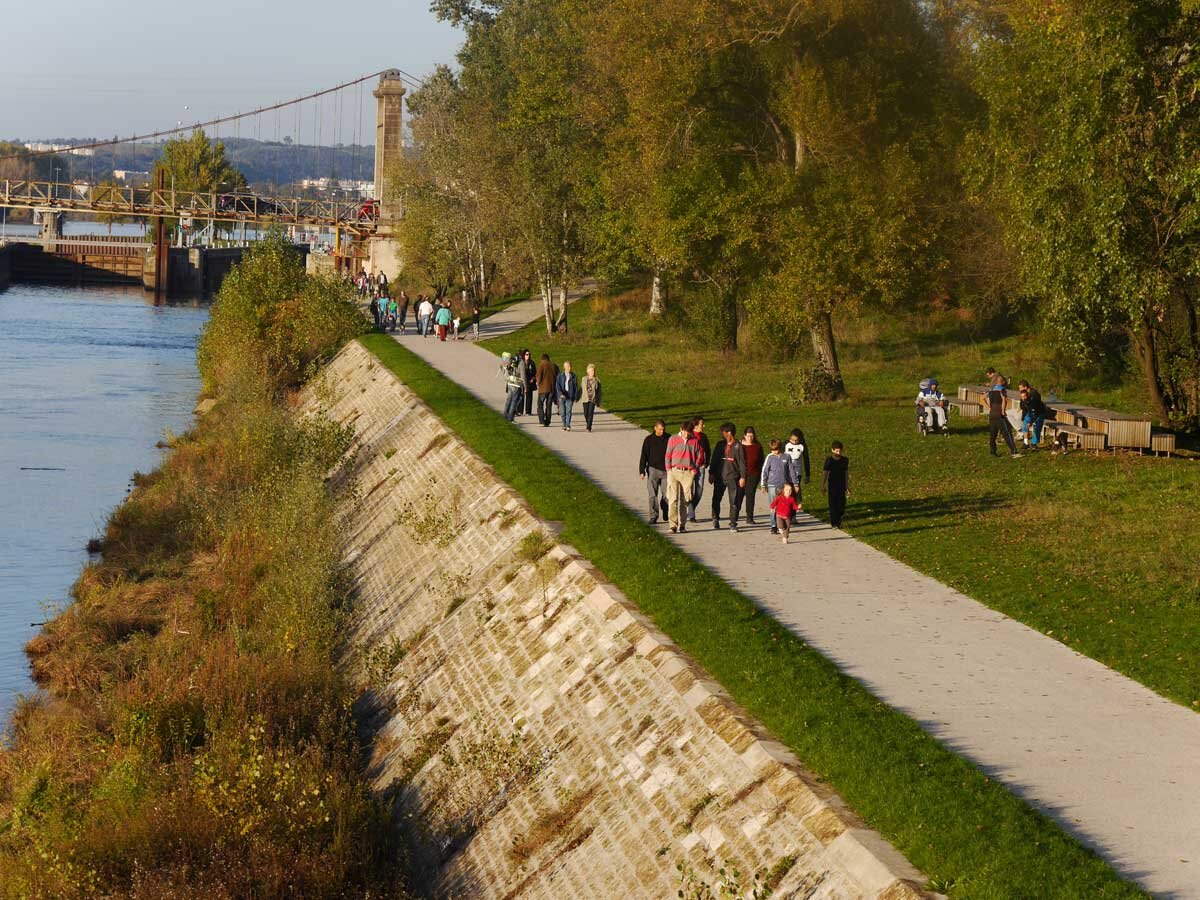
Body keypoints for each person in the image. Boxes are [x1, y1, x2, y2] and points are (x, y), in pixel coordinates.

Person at [664, 419, 702, 533]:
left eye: (689, 432)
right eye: (685, 432)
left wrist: (695, 469)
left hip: (688, 473)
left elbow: (700, 455)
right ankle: (672, 525)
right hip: (674, 471)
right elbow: (668, 455)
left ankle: (682, 525)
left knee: (685, 500)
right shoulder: (673, 439)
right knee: (673, 499)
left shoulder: (694, 441)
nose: (686, 434)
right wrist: (669, 470)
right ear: (681, 429)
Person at [710, 423, 746, 531]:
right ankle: (715, 519)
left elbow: (742, 462)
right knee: (716, 499)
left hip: (733, 477)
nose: (722, 434)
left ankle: (733, 523)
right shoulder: (720, 444)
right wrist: (711, 473)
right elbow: (714, 459)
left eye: (723, 432)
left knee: (734, 501)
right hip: (719, 476)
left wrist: (743, 477)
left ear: (729, 433)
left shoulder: (738, 446)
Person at [760, 439, 800, 535]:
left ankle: (782, 524)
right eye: (772, 450)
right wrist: (763, 484)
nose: (774, 451)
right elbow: (765, 471)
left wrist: (795, 484)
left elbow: (791, 470)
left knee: (784, 505)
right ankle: (773, 525)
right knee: (773, 505)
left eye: (776, 449)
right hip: (772, 485)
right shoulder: (770, 457)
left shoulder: (787, 456)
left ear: (780, 447)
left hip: (784, 486)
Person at [639, 420, 670, 524]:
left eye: (663, 429)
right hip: (653, 470)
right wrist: (642, 470)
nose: (662, 431)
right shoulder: (649, 440)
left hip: (666, 471)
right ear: (655, 428)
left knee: (667, 494)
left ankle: (666, 510)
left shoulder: (669, 438)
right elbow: (644, 456)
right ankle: (653, 516)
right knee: (653, 494)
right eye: (660, 429)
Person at [986, 371, 1022, 458]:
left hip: (992, 413)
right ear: (1002, 382)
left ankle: (993, 451)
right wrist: (1003, 411)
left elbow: (983, 398)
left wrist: (989, 407)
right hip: (999, 414)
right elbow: (1004, 400)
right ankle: (1014, 452)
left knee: (993, 434)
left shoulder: (991, 390)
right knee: (1007, 433)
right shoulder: (1002, 390)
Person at [783, 428, 811, 522]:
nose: (794, 442)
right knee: (786, 492)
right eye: (792, 440)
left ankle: (793, 516)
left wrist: (808, 475)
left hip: (797, 473)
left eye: (796, 440)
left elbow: (806, 460)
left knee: (794, 492)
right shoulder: (785, 444)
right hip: (786, 472)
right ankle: (785, 513)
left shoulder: (802, 446)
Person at [821, 441, 851, 528]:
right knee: (833, 505)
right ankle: (834, 523)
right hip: (832, 485)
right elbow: (825, 473)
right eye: (836, 451)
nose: (838, 453)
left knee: (841, 504)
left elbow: (846, 473)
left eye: (840, 451)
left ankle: (839, 517)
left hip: (841, 485)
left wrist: (847, 486)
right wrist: (823, 485)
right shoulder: (829, 460)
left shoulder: (845, 460)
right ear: (832, 450)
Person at [689, 416, 711, 524]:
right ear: (696, 425)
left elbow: (708, 450)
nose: (704, 426)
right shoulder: (689, 435)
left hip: (701, 467)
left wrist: (707, 463)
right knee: (689, 491)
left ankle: (690, 509)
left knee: (699, 491)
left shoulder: (703, 436)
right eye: (702, 424)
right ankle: (691, 515)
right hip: (689, 467)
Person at [741, 427, 764, 526]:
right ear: (744, 436)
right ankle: (734, 515)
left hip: (754, 474)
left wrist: (760, 473)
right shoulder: (740, 445)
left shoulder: (757, 446)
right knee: (738, 495)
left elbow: (761, 460)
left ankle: (749, 517)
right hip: (741, 474)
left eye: (752, 436)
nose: (750, 438)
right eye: (748, 436)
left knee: (750, 495)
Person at [1018, 380, 1048, 450]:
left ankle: (1034, 444)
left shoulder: (1034, 395)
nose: (1019, 389)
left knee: (1037, 428)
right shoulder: (1023, 395)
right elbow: (1024, 407)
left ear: (1025, 387)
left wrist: (1031, 422)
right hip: (1030, 412)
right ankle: (1026, 443)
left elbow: (1034, 409)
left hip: (1039, 413)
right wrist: (1024, 417)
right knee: (1025, 424)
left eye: (1020, 388)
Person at [555, 361, 581, 430]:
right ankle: (564, 424)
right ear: (564, 367)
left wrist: (576, 397)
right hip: (562, 396)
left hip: (570, 396)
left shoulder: (573, 376)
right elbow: (557, 386)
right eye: (567, 367)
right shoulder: (560, 376)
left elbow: (576, 387)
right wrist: (560, 394)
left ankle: (568, 425)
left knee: (568, 411)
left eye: (570, 366)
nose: (569, 368)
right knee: (562, 411)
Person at [536, 354, 558, 427]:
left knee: (540, 405)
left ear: (542, 359)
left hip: (543, 389)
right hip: (551, 389)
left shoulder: (542, 365)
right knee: (549, 406)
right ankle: (548, 421)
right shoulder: (553, 366)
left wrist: (538, 383)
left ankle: (542, 421)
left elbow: (539, 376)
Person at [502, 353, 524, 422]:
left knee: (509, 400)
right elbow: (523, 377)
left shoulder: (511, 361)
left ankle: (505, 415)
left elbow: (508, 370)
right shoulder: (521, 363)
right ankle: (510, 418)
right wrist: (525, 387)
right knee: (514, 402)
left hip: (510, 383)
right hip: (516, 384)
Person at [580, 364, 602, 432]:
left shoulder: (597, 380)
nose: (592, 372)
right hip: (585, 399)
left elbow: (599, 392)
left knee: (590, 413)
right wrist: (577, 397)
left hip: (592, 399)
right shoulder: (584, 379)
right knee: (586, 413)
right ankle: (588, 423)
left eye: (593, 371)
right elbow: (581, 389)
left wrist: (598, 401)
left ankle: (588, 427)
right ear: (587, 371)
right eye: (591, 371)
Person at [523, 350, 538, 416]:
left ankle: (528, 411)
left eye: (529, 354)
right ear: (524, 355)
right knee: (521, 397)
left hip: (529, 382)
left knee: (529, 397)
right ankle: (519, 411)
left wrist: (533, 379)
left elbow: (535, 372)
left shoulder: (532, 363)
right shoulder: (522, 362)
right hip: (523, 381)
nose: (528, 356)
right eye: (527, 354)